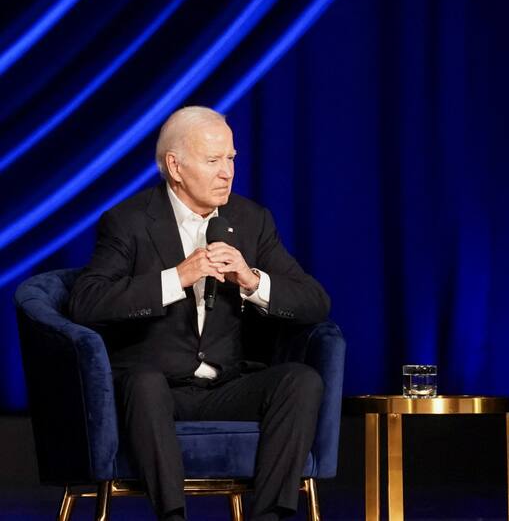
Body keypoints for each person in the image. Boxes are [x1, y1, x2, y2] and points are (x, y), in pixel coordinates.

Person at [69, 106, 331, 521]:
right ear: (175, 166)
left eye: (230, 159)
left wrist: (252, 279)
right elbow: (86, 301)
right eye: (213, 161)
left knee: (300, 381)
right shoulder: (129, 221)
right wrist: (176, 278)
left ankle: (269, 517)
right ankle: (173, 517)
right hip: (154, 391)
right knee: (146, 383)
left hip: (225, 386)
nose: (227, 172)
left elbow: (314, 301)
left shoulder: (251, 220)